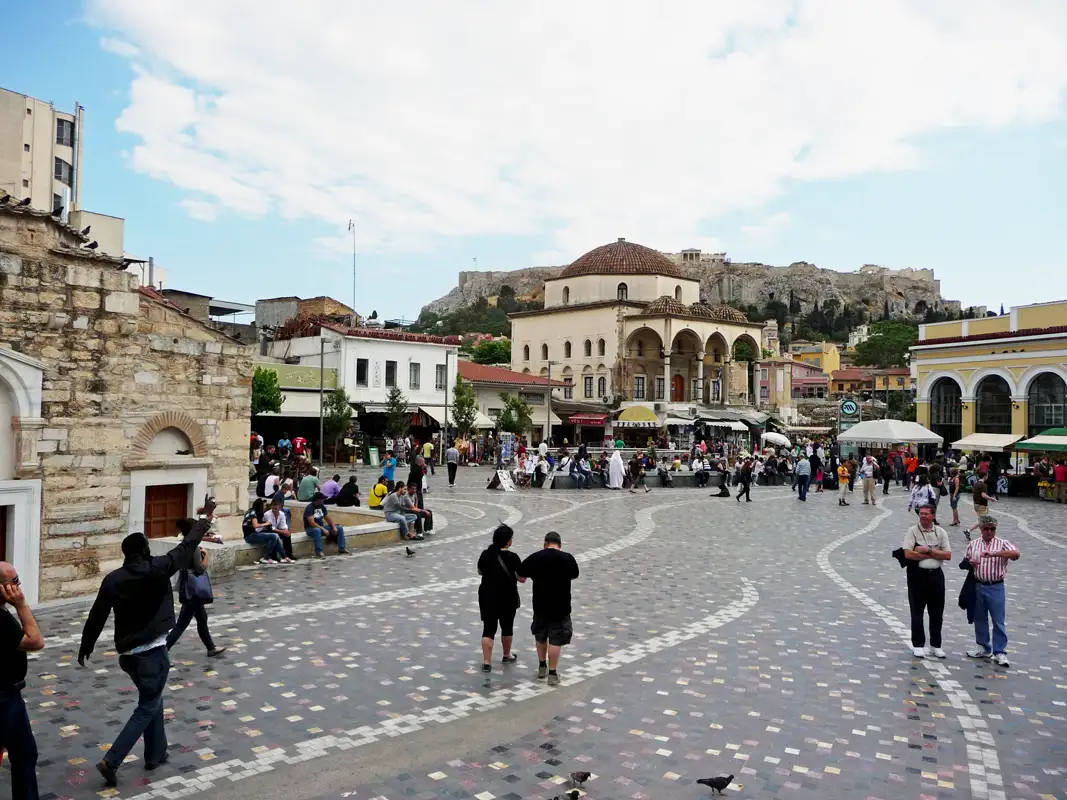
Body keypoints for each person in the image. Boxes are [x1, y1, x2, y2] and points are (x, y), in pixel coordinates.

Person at [79, 502, 215, 787]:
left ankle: (155, 753)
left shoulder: (113, 580)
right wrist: (203, 519)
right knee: (147, 705)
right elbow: (188, 545)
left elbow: (97, 615)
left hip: (128, 655)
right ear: (145, 550)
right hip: (152, 652)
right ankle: (112, 760)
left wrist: (86, 645)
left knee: (154, 699)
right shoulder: (158, 568)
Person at [0, 561, 45, 800]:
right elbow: (35, 641)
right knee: (24, 754)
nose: (18, 586)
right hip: (4, 699)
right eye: (14, 582)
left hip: (9, 696)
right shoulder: (1, 619)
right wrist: (21, 604)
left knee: (24, 753)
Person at [517, 531, 579, 687]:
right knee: (556, 639)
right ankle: (552, 673)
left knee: (541, 635)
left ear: (545, 544)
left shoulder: (536, 557)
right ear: (560, 545)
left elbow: (521, 575)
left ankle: (542, 666)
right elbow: (574, 575)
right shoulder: (568, 558)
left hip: (540, 605)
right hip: (561, 606)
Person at [964, 515, 1019, 667]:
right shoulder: (974, 544)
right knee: (979, 618)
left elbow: (1016, 554)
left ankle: (999, 651)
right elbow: (965, 560)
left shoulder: (1002, 543)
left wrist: (995, 554)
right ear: (980, 529)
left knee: (998, 620)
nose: (989, 532)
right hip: (978, 585)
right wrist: (971, 563)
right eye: (986, 529)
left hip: (996, 586)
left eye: (992, 529)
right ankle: (983, 646)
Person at [166, 519, 226, 657]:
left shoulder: (184, 545)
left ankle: (211, 647)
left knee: (202, 618)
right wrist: (206, 556)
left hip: (190, 588)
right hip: (193, 590)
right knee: (181, 624)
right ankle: (163, 650)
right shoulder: (194, 548)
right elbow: (199, 569)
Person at [902, 505, 951, 658]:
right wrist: (934, 554)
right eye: (921, 514)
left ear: (933, 516)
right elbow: (908, 554)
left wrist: (927, 551)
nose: (923, 516)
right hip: (917, 575)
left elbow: (948, 555)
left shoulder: (940, 532)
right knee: (917, 611)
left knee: (937, 612)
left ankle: (936, 645)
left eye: (926, 514)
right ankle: (918, 644)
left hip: (936, 575)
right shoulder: (912, 531)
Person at [477, 525, 525, 672]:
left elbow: (480, 571)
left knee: (488, 629)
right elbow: (522, 578)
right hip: (507, 597)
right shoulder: (513, 557)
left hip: (487, 596)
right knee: (507, 626)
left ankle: (486, 662)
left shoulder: (486, 554)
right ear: (508, 541)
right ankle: (506, 654)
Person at [303, 493, 350, 557]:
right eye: (322, 499)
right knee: (317, 531)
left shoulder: (322, 506)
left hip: (321, 527)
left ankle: (342, 548)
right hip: (311, 528)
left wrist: (334, 527)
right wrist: (323, 529)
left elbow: (327, 518)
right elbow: (312, 523)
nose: (324, 500)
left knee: (339, 528)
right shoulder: (310, 508)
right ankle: (319, 552)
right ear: (318, 500)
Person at [242, 498, 288, 564]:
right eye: (263, 506)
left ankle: (284, 557)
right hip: (250, 536)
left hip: (251, 535)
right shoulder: (253, 513)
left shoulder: (250, 511)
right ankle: (266, 558)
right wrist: (267, 523)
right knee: (274, 535)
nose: (264, 508)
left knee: (274, 537)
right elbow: (255, 525)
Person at [264, 496, 297, 561]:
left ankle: (289, 554)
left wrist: (286, 530)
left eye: (276, 509)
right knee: (274, 536)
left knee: (287, 535)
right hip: (268, 531)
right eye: (273, 508)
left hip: (277, 530)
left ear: (280, 508)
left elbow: (283, 525)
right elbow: (271, 528)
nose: (274, 510)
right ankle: (274, 556)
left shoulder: (282, 514)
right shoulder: (267, 514)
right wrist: (283, 532)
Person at [966, 472, 997, 540]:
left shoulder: (976, 484)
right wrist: (991, 498)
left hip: (976, 504)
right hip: (981, 505)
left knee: (983, 520)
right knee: (983, 521)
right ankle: (969, 530)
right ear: (985, 476)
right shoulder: (983, 485)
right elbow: (983, 495)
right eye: (987, 475)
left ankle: (982, 533)